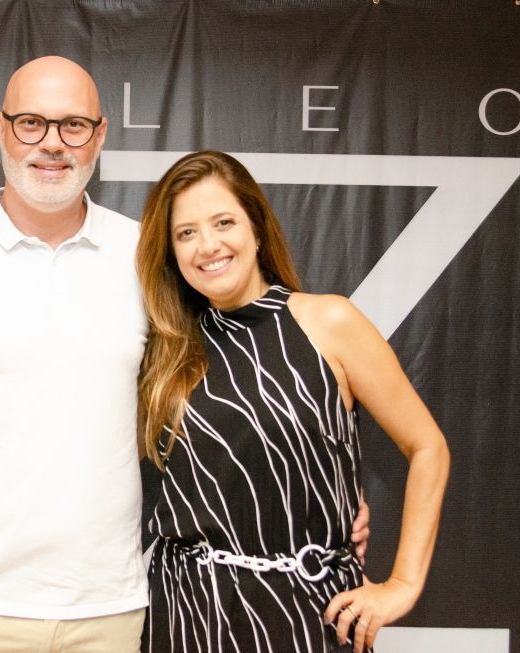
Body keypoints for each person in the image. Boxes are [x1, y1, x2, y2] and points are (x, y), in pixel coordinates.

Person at [0, 57, 370, 652]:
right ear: (1, 129)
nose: (52, 143)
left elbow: (237, 383)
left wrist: (321, 488)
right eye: (31, 123)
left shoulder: (149, 256)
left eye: (73, 125)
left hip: (114, 617)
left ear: (100, 135)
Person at [135, 150, 449, 653]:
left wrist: (403, 583)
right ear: (171, 253)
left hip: (313, 613)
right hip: (186, 613)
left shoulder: (329, 322)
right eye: (186, 232)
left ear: (257, 230)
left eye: (223, 222)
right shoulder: (164, 351)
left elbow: (427, 446)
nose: (208, 245)